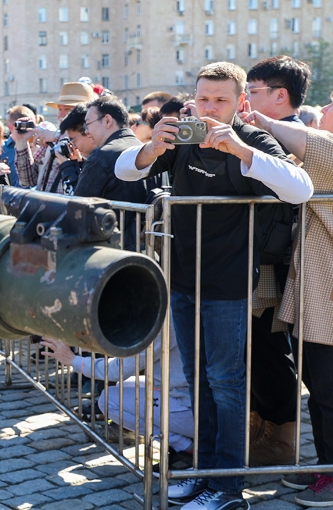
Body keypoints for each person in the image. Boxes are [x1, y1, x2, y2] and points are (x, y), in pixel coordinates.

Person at [115, 61, 314, 510]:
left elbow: (300, 188)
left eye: (221, 100)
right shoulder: (182, 136)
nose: (209, 108)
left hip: (229, 283)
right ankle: (204, 472)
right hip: (182, 277)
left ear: (240, 102)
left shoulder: (252, 138)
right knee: (197, 378)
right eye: (203, 98)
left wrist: (240, 150)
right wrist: (150, 148)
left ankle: (227, 486)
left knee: (227, 383)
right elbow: (127, 171)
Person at [242, 105, 333, 508]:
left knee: (330, 389)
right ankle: (327, 463)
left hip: (328, 300)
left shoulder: (324, 152)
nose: (324, 112)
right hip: (317, 299)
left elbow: (318, 150)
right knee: (319, 386)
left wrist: (260, 123)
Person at [243, 55, 313, 466]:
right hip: (266, 259)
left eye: (252, 91)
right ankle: (263, 427)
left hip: (286, 262)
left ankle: (281, 436)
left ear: (280, 95)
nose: (245, 100)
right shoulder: (266, 134)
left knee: (271, 351)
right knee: (258, 349)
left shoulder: (299, 138)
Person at [40, 328, 195, 471]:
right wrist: (81, 342)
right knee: (124, 387)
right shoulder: (173, 310)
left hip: (193, 409)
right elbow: (130, 349)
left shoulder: (164, 324)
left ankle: (186, 447)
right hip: (188, 396)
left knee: (110, 400)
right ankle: (186, 443)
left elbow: (117, 369)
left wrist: (73, 360)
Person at [74, 96, 149, 250]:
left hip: (112, 254)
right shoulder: (149, 152)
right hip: (151, 254)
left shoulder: (101, 156)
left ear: (107, 120)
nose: (86, 132)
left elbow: (77, 210)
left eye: (88, 124)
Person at [14, 82, 98, 192]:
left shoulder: (92, 141)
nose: (61, 114)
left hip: (69, 207)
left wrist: (56, 136)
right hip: (46, 207)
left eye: (67, 109)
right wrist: (21, 142)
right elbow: (28, 180)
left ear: (84, 113)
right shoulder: (51, 137)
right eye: (59, 109)